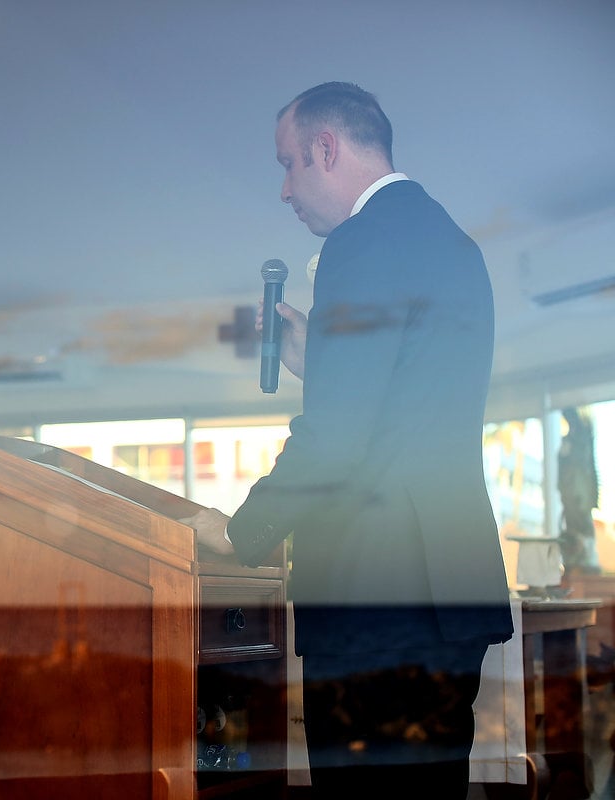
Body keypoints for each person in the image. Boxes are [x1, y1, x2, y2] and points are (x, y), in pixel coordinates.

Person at [187, 82, 514, 799]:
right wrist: (328, 367)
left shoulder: (360, 243)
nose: (284, 189)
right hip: (443, 589)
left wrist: (244, 531)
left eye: (289, 164)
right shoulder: (452, 242)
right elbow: (402, 406)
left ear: (326, 148)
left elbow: (337, 440)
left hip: (376, 595)